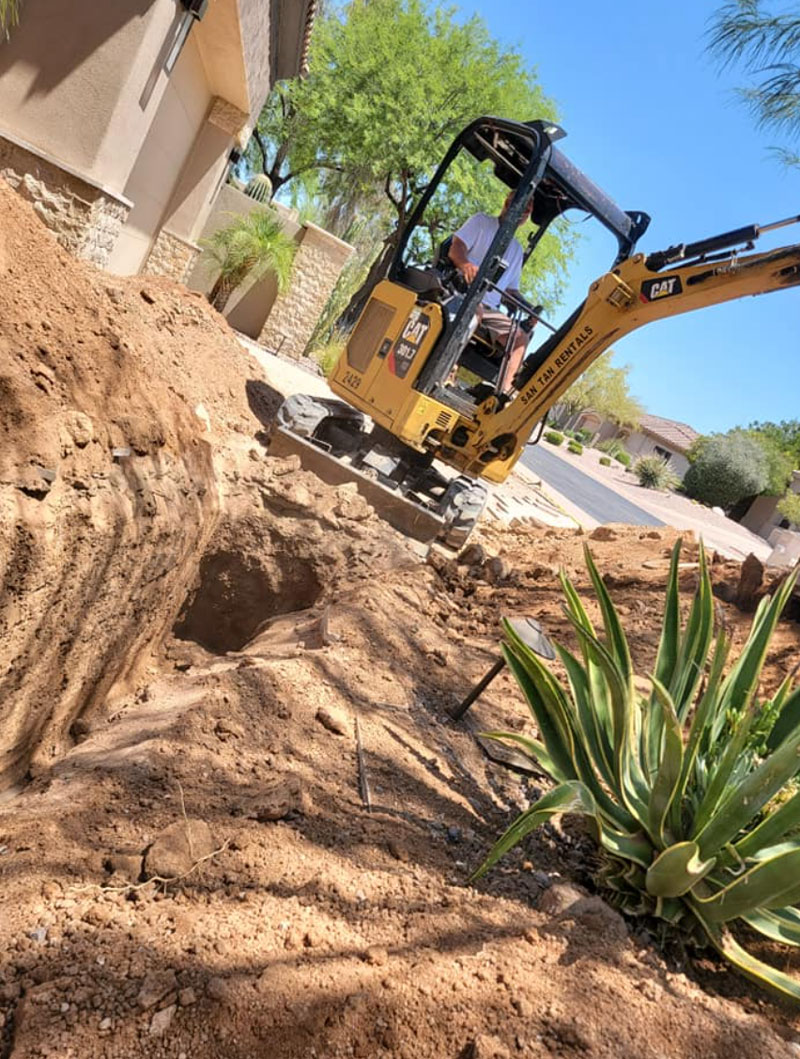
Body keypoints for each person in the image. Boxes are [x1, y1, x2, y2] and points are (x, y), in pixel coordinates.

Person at [448, 191, 537, 393]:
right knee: (475, 310)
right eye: (521, 205)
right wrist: (466, 265)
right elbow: (456, 248)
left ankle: (501, 396)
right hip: (461, 292)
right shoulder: (482, 222)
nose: (523, 212)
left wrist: (528, 308)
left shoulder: (516, 250)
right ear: (507, 203)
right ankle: (447, 370)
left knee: (520, 338)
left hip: (490, 308)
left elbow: (510, 291)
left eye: (528, 210)